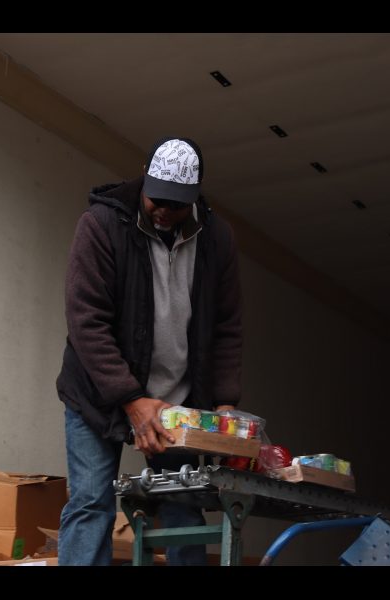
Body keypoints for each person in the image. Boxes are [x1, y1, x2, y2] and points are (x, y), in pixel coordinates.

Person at [55, 136, 242, 565]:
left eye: (175, 204)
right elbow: (87, 321)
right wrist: (130, 398)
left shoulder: (217, 239)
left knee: (184, 508)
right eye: (155, 198)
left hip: (177, 399)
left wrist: (225, 403)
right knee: (90, 504)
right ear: (144, 178)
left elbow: (228, 326)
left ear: (193, 199)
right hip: (97, 394)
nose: (162, 209)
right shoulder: (101, 225)